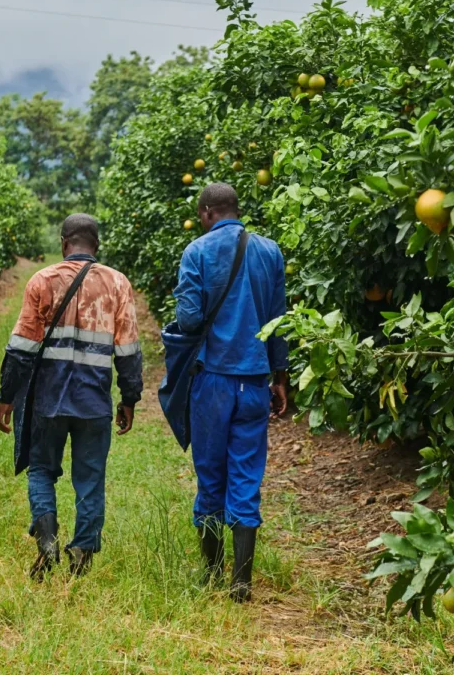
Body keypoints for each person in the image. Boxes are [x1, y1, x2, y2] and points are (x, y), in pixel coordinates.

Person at [0, 213, 142, 578]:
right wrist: (129, 398)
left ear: (64, 243)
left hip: (49, 399)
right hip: (93, 402)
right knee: (90, 478)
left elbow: (21, 346)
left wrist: (7, 395)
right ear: (97, 245)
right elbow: (128, 350)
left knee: (41, 469)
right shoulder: (117, 284)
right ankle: (82, 552)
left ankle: (47, 539)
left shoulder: (43, 280)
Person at [174, 183, 288, 602]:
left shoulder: (197, 252)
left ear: (206, 212)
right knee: (246, 475)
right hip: (255, 381)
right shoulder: (269, 251)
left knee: (211, 475)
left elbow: (187, 320)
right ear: (236, 210)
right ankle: (241, 582)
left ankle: (210, 574)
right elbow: (279, 320)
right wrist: (280, 377)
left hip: (213, 382)